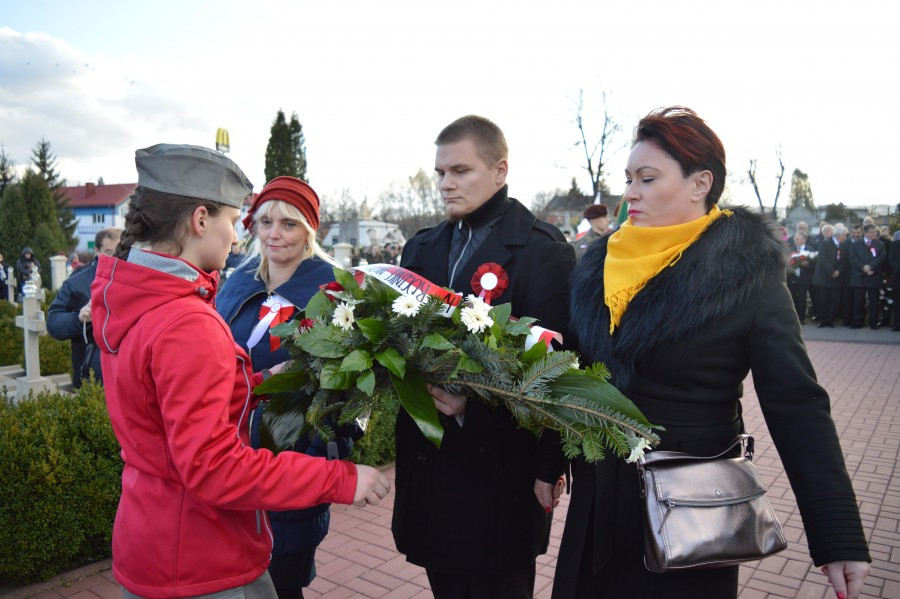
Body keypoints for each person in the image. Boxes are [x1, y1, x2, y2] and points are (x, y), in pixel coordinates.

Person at [553, 107, 870, 599]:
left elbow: (797, 404)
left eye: (647, 178)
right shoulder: (600, 263)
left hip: (693, 511)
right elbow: (568, 372)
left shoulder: (748, 276)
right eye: (628, 178)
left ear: (701, 183)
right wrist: (544, 462)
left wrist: (837, 535)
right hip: (601, 503)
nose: (630, 193)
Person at [91, 143, 390, 598]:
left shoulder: (132, 295)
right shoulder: (187, 322)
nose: (237, 238)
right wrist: (341, 478)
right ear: (200, 220)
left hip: (154, 531)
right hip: (200, 554)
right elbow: (214, 468)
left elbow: (163, 401)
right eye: (234, 221)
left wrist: (255, 384)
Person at [393, 115, 575, 599]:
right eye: (440, 173)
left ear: (500, 169)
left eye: (460, 170)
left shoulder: (541, 251)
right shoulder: (422, 246)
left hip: (500, 470)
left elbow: (559, 369)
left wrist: (546, 462)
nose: (446, 184)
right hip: (432, 465)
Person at [217, 176, 357, 599]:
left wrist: (322, 448)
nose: (274, 234)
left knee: (282, 579)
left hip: (296, 455)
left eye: (289, 224)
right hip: (230, 450)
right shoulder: (237, 282)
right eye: (265, 222)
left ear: (309, 229)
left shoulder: (337, 290)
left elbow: (353, 390)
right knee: (234, 576)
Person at [47, 227, 121, 388]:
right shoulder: (76, 282)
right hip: (90, 374)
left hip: (125, 373)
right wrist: (79, 318)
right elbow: (53, 322)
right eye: (109, 252)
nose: (115, 257)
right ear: (96, 251)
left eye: (120, 251)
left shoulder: (133, 278)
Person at [849, 223, 886, 329]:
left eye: (875, 232)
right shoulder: (855, 244)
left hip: (874, 275)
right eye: (872, 232)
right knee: (858, 301)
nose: (874, 234)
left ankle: (873, 322)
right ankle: (857, 322)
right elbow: (852, 259)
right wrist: (863, 267)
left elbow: (881, 258)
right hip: (859, 276)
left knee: (874, 301)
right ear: (865, 232)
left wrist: (870, 267)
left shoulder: (879, 244)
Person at [812, 224, 845, 328]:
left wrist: (838, 271)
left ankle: (830, 320)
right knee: (823, 300)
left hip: (836, 277)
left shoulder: (842, 245)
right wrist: (832, 272)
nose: (845, 237)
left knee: (834, 300)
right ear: (839, 235)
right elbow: (823, 260)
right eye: (844, 235)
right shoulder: (825, 243)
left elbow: (844, 261)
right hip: (824, 277)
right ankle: (823, 320)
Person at [786, 230, 815, 323]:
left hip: (804, 278)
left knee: (802, 298)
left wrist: (808, 264)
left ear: (804, 239)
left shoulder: (810, 249)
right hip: (792, 277)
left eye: (797, 239)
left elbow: (815, 264)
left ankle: (801, 318)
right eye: (795, 238)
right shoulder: (791, 249)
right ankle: (793, 318)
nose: (795, 240)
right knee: (793, 298)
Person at [890, 231, 900, 331]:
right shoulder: (895, 244)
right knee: (897, 303)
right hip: (897, 278)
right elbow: (891, 259)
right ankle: (897, 324)